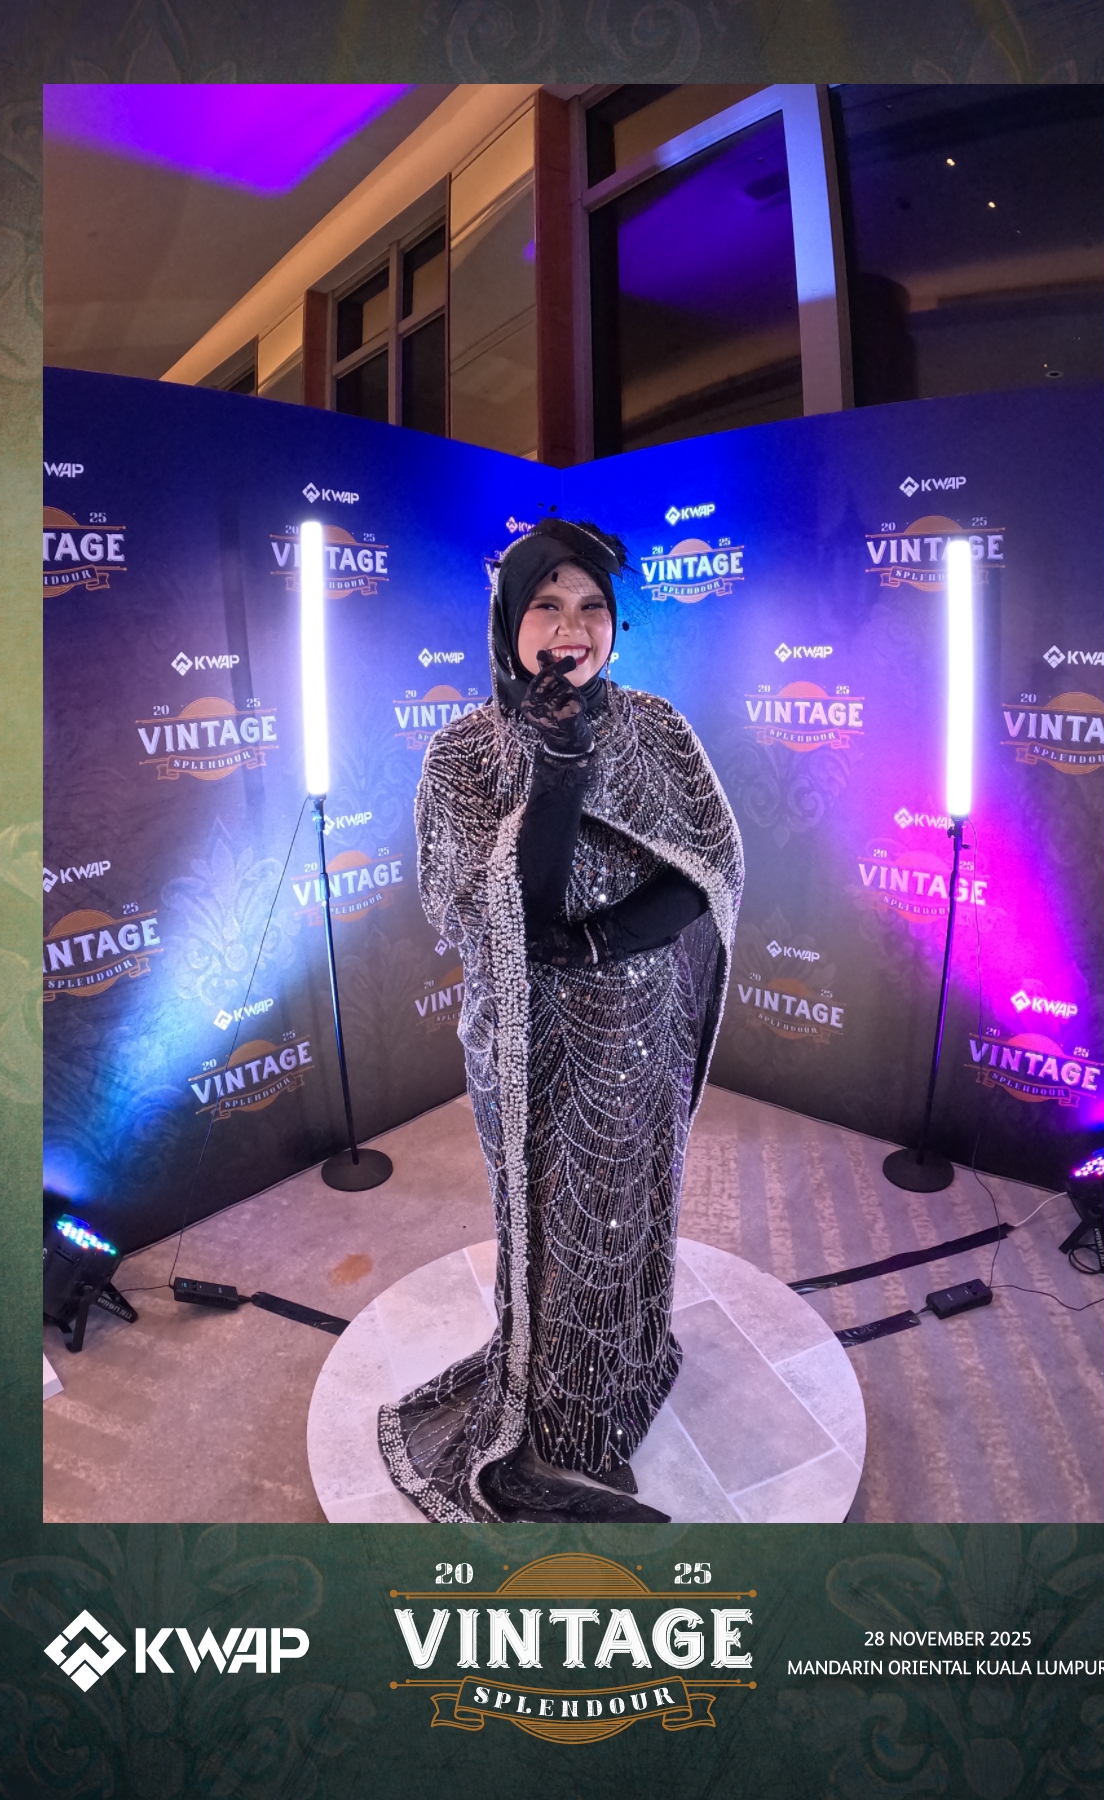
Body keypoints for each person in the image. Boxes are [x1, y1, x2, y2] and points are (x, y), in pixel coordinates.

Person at [378, 518, 743, 1522]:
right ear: (510, 622)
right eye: (546, 604)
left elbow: (709, 870)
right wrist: (561, 768)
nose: (570, 626)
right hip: (526, 1040)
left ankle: (626, 1376)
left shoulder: (657, 727)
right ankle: (559, 1433)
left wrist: (600, 943)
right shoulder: (462, 754)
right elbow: (505, 916)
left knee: (636, 1210)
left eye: (590, 606)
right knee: (550, 1226)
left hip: (640, 1026)